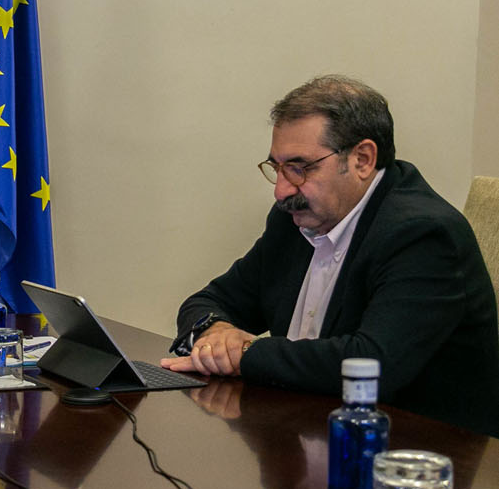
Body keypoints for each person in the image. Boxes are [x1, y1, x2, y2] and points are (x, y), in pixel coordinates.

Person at [161, 74, 499, 437]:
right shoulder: (294, 220)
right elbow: (210, 300)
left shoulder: (423, 235)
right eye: (277, 167)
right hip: (302, 433)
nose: (281, 190)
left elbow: (369, 363)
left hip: (415, 459)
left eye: (300, 168)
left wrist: (244, 353)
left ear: (363, 159)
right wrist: (216, 330)